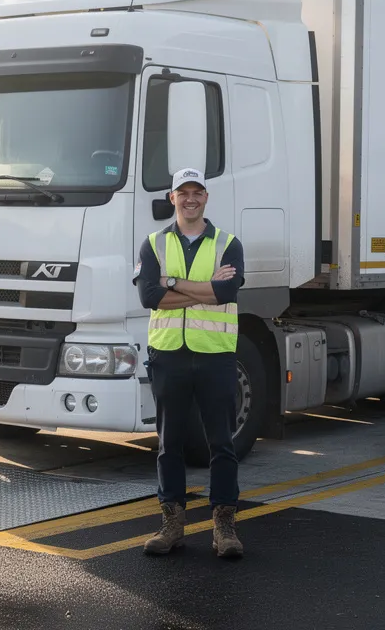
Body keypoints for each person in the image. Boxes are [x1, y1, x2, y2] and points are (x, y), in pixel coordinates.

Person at [133, 167, 246, 559]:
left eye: (197, 192)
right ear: (172, 198)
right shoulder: (154, 244)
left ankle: (224, 527)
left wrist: (172, 283)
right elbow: (149, 296)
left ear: (206, 198)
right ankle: (172, 524)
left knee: (222, 443)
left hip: (215, 354)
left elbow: (227, 291)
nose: (191, 198)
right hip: (169, 354)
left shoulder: (229, 243)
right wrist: (202, 291)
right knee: (170, 444)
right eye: (184, 192)